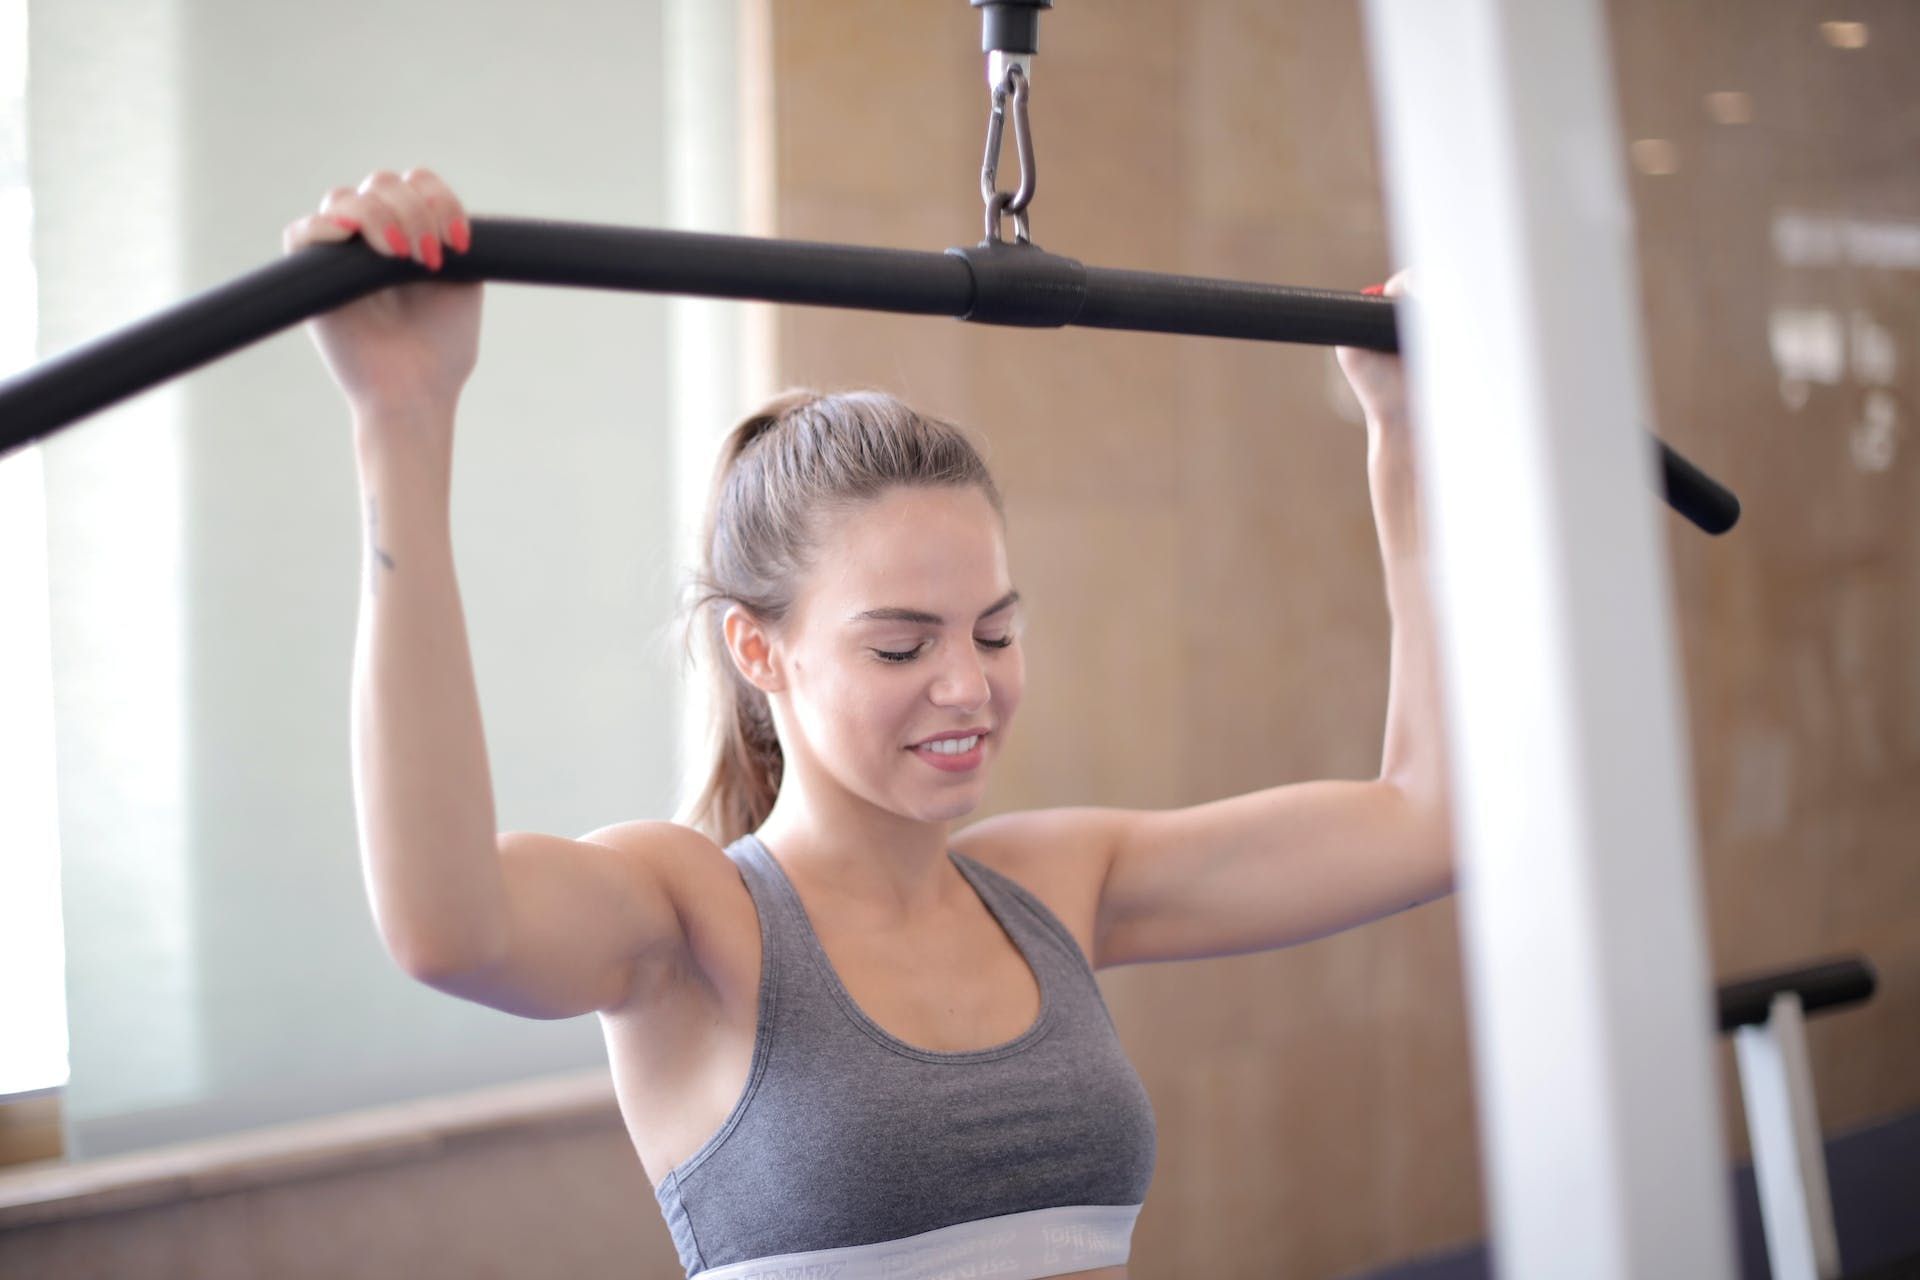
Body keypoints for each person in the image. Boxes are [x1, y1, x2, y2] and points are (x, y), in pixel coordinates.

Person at [286, 167, 1454, 1280]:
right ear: (760, 649)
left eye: (994, 632)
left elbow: (1431, 819)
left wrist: (1408, 440)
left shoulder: (1056, 882)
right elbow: (446, 922)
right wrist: (403, 415)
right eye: (902, 644)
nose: (968, 685)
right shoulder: (693, 918)